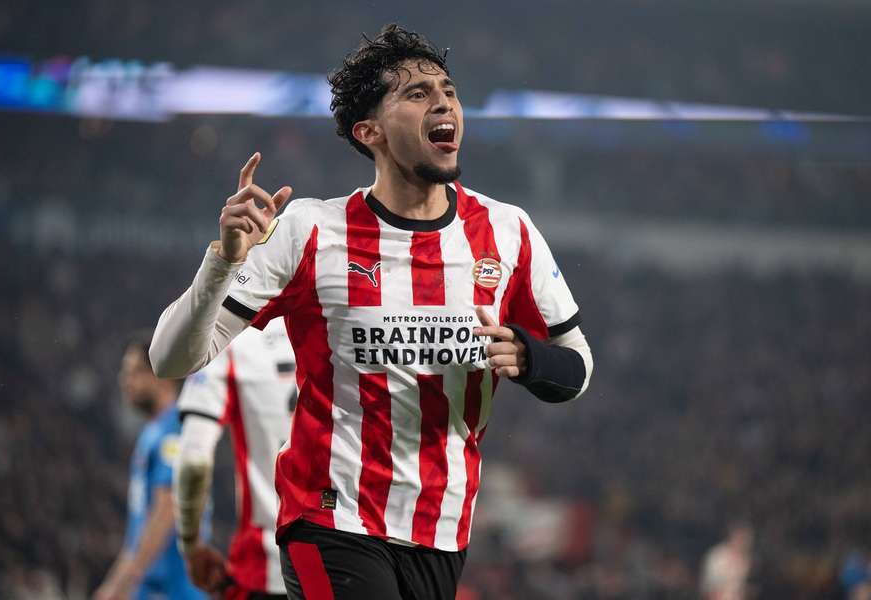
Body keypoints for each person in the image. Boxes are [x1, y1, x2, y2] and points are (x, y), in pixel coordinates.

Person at [149, 24, 594, 600]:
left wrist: (532, 358)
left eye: (448, 90)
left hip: (441, 528)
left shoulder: (508, 233)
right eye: (416, 94)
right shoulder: (309, 230)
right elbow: (169, 359)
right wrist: (222, 262)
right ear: (370, 132)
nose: (443, 102)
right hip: (325, 519)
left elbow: (578, 365)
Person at [175, 321, 296, 599]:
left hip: (267, 567)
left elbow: (194, 458)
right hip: (354, 556)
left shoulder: (229, 341)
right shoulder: (348, 326)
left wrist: (191, 545)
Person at [95, 332, 205, 600]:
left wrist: (125, 582)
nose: (125, 381)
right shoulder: (155, 431)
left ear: (161, 376)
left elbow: (167, 509)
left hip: (172, 589)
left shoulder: (173, 430)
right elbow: (140, 528)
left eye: (135, 372)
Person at [700, 522, 754, 600]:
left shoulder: (746, 559)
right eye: (742, 537)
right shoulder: (717, 556)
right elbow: (708, 586)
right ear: (733, 536)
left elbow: (740, 585)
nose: (745, 542)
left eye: (747, 539)